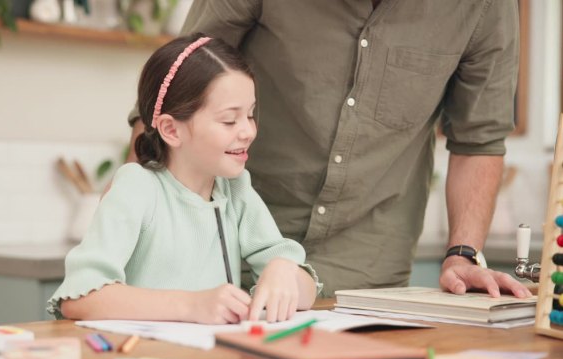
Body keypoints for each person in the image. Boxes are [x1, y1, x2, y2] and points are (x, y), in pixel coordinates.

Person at [124, 0, 531, 298]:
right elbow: (172, 88)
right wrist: (136, 213)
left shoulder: (481, 7)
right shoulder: (229, 206)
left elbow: (479, 140)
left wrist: (462, 255)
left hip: (368, 268)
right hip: (219, 248)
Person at [49, 34, 321, 324]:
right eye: (230, 120)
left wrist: (285, 270)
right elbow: (79, 298)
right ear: (171, 130)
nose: (248, 132)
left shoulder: (235, 190)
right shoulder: (136, 187)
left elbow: (307, 291)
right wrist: (192, 306)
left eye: (251, 115)